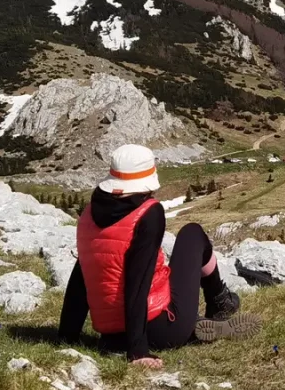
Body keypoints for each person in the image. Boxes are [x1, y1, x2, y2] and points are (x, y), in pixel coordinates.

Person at [58, 144, 261, 368]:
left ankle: (196, 325)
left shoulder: (89, 213)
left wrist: (67, 336)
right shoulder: (148, 213)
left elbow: (82, 276)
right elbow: (138, 282)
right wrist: (138, 351)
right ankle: (219, 302)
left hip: (112, 337)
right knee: (192, 233)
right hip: (159, 328)